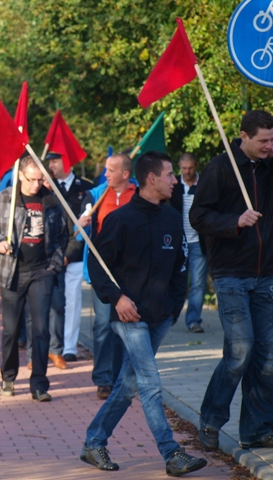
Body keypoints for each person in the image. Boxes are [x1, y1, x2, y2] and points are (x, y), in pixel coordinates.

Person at [81, 151, 207, 477]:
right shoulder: (120, 219)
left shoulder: (170, 217)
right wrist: (117, 298)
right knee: (150, 383)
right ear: (152, 178)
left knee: (128, 385)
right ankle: (171, 453)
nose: (174, 180)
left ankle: (94, 442)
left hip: (161, 316)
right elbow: (97, 265)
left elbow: (180, 268)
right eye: (169, 174)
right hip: (129, 317)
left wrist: (174, 309)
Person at [191, 110, 273, 451]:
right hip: (230, 275)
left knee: (267, 357)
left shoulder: (270, 166)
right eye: (264, 140)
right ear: (244, 136)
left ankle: (256, 429)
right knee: (240, 351)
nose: (270, 146)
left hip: (265, 275)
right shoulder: (219, 167)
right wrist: (235, 221)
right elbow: (198, 216)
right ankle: (210, 421)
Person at [0, 155, 68, 401]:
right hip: (11, 271)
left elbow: (63, 235)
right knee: (11, 330)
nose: (35, 185)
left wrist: (54, 264)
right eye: (31, 179)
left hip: (41, 271)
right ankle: (8, 377)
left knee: (41, 329)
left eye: (39, 179)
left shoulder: (51, 200)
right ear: (20, 175)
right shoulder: (5, 198)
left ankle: (40, 384)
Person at [77, 153, 135, 400]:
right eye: (105, 170)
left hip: (132, 274)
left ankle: (122, 378)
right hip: (103, 273)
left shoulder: (140, 194)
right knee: (102, 326)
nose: (105, 174)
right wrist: (83, 224)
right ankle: (103, 379)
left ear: (125, 174)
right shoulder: (96, 195)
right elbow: (79, 234)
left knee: (126, 327)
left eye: (111, 170)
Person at [47, 152, 93, 364]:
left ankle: (69, 347)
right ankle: (52, 345)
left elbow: (85, 223)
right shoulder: (46, 186)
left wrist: (68, 254)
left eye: (54, 160)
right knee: (53, 303)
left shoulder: (84, 188)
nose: (51, 165)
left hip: (73, 256)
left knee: (73, 301)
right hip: (50, 256)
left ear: (66, 162)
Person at [169, 153, 208, 333]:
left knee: (198, 283)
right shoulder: (174, 184)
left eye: (190, 168)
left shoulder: (205, 184)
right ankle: (170, 316)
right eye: (184, 168)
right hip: (178, 242)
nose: (187, 171)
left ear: (196, 165)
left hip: (199, 242)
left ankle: (193, 320)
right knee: (174, 281)